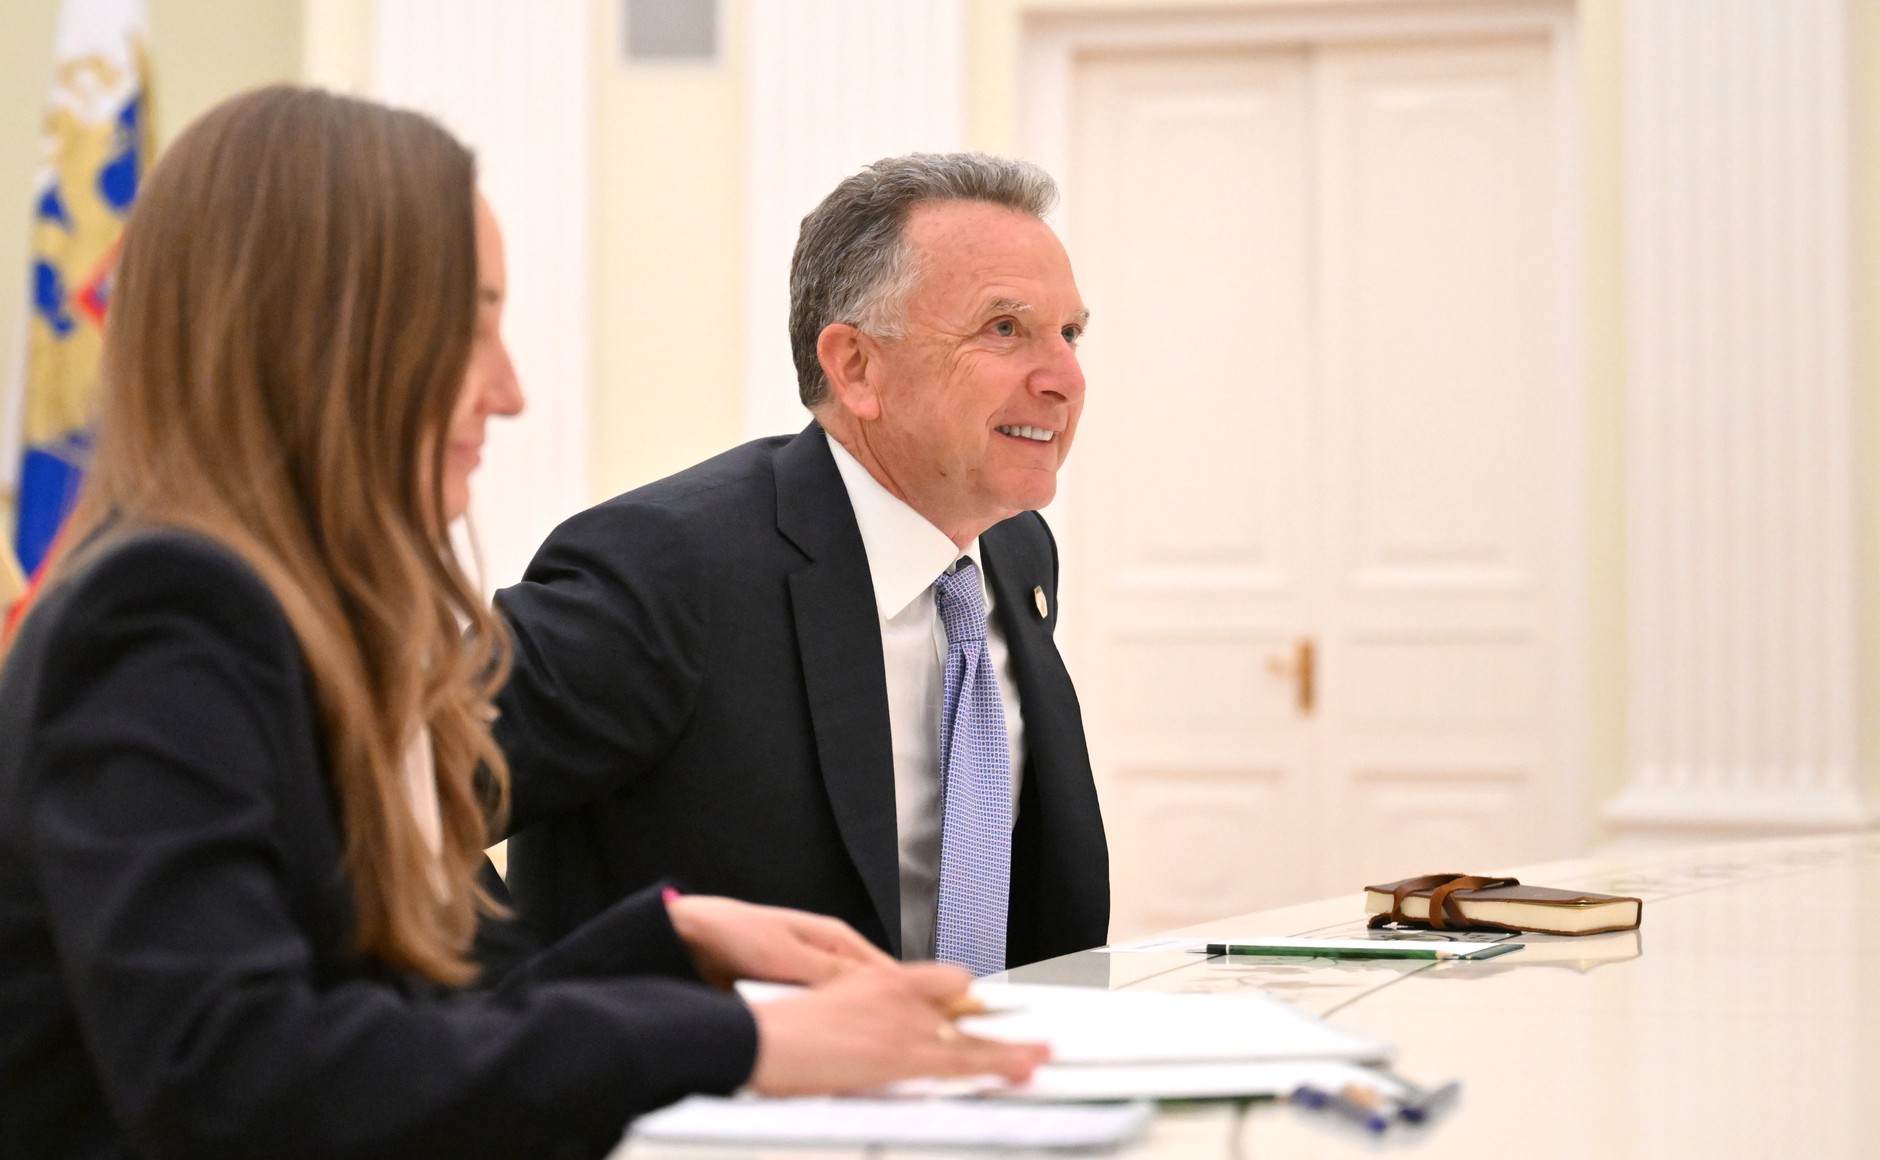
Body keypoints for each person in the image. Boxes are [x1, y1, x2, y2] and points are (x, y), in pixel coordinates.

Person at [0, 88, 1044, 1160]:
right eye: (470, 328)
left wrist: (670, 941)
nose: (508, 392)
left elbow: (422, 1021)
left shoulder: (299, 618)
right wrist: (738, 1040)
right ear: (319, 334)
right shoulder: (163, 614)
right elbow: (235, 1073)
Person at [497, 153, 1108, 976]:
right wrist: (510, 1001)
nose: (1065, 379)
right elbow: (378, 796)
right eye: (1005, 329)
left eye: (1070, 334)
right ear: (856, 367)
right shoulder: (662, 567)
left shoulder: (1015, 552)